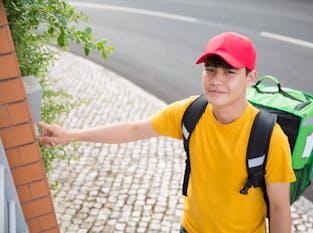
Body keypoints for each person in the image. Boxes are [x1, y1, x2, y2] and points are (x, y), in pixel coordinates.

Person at [39, 32, 296, 233]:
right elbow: (134, 129)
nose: (216, 80)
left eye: (229, 72)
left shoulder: (269, 136)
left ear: (250, 78)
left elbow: (279, 208)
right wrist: (71, 135)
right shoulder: (190, 113)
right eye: (210, 69)